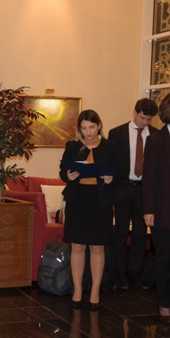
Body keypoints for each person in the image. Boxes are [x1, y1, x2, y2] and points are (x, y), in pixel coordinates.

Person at [59, 110, 116, 310]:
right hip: (78, 199)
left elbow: (119, 173)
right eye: (84, 128)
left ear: (99, 126)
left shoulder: (110, 146)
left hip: (100, 201)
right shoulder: (73, 146)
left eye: (91, 127)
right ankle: (77, 291)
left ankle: (94, 292)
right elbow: (63, 172)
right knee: (77, 246)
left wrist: (110, 179)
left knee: (97, 247)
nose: (88, 132)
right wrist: (68, 175)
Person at [109, 98, 159, 290]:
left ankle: (134, 273)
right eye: (142, 118)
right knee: (121, 232)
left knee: (140, 233)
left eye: (148, 119)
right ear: (135, 112)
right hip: (123, 187)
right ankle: (119, 274)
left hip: (144, 190)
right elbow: (111, 163)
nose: (145, 122)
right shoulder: (117, 133)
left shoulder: (155, 135)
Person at [143, 93, 170, 324]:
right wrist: (148, 209)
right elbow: (149, 178)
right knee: (164, 259)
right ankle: (165, 303)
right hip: (163, 212)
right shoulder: (155, 140)